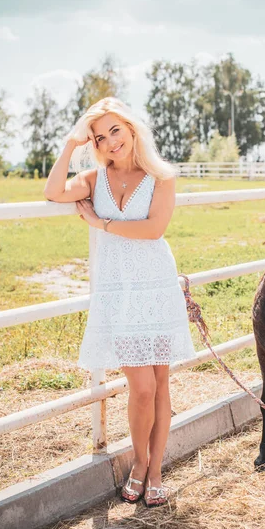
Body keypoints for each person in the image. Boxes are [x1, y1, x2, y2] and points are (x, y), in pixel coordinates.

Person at [44, 97, 196, 507]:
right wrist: (71, 142)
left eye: (116, 130)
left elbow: (154, 229)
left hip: (156, 286)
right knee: (141, 387)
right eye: (100, 136)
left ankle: (156, 469)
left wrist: (100, 223)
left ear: (131, 129)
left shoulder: (160, 176)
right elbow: (53, 190)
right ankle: (139, 463)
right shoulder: (94, 179)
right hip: (119, 293)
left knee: (161, 384)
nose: (111, 142)